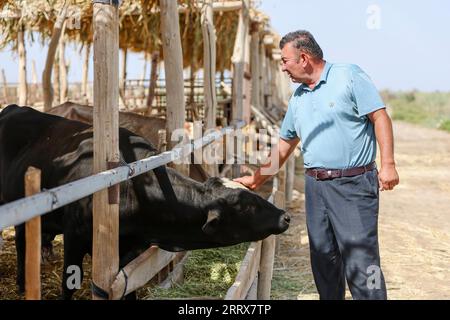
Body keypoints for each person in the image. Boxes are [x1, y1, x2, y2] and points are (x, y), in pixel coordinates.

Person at [234, 30, 399, 300]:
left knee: (360, 257)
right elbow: (285, 145)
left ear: (304, 58)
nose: (283, 67)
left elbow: (379, 117)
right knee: (324, 257)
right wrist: (256, 180)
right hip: (316, 186)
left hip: (353, 184)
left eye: (285, 60)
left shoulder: (349, 75)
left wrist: (388, 163)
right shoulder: (298, 98)